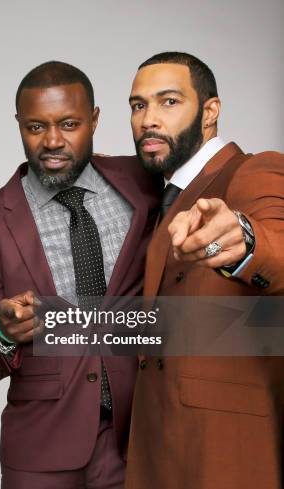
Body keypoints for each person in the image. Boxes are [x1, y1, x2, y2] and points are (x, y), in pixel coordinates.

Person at [0, 61, 161, 489]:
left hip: (136, 435)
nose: (52, 141)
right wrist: (4, 329)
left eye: (69, 124)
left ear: (94, 119)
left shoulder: (143, 184)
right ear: (18, 124)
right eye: (36, 127)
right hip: (40, 446)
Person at [124, 51, 284, 489]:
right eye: (139, 105)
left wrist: (244, 241)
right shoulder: (164, 197)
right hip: (157, 447)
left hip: (224, 454)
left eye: (169, 102)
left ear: (210, 111)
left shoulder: (252, 170)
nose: (149, 119)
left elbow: (276, 244)